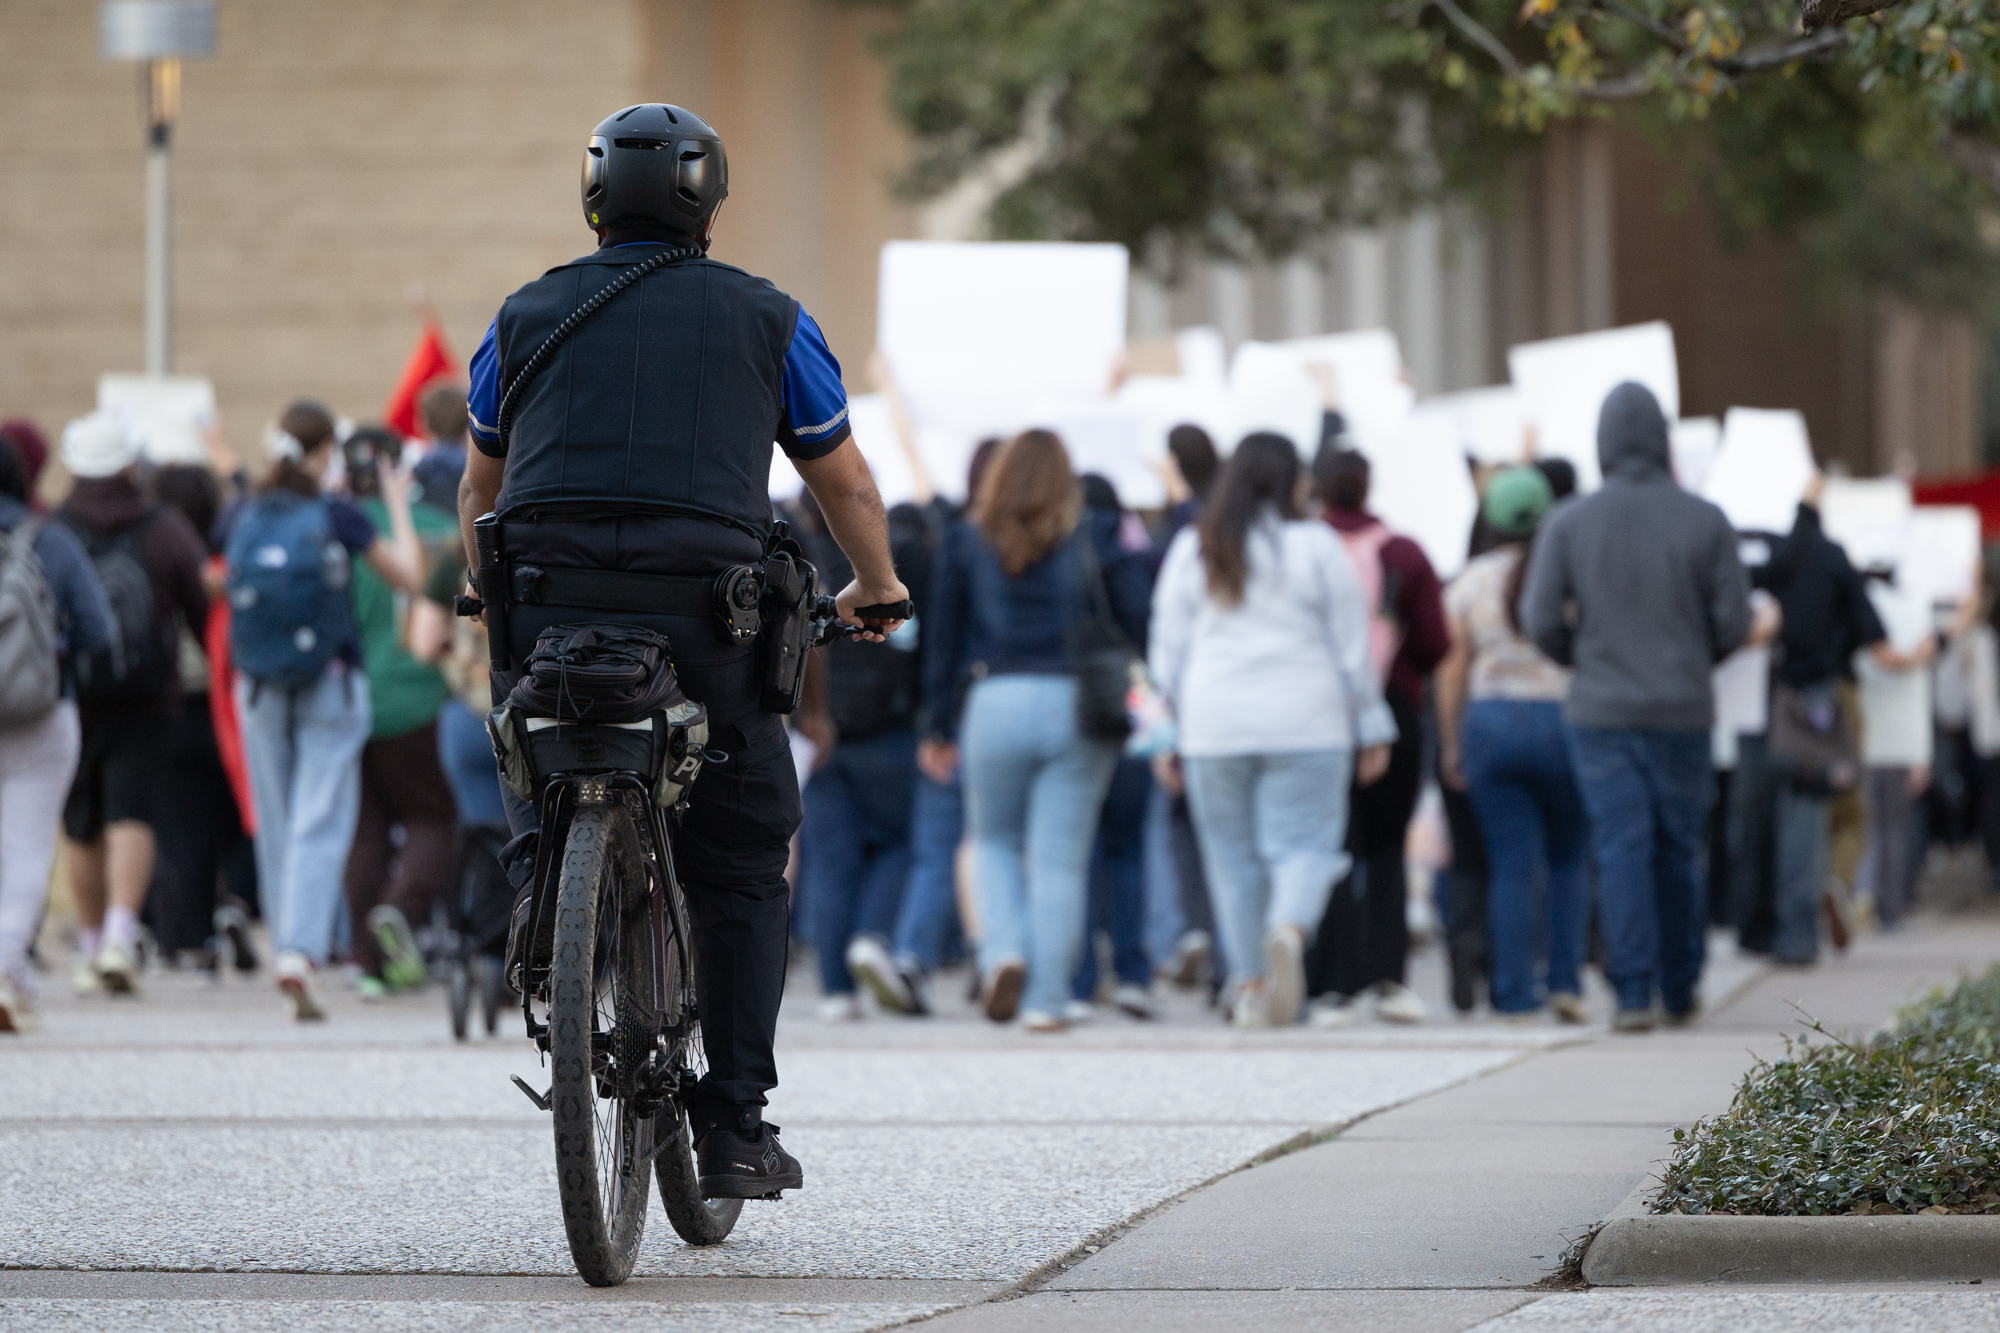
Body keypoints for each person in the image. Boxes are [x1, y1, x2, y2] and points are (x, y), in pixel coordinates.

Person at [458, 103, 908, 1199]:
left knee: (533, 744)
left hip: (550, 605)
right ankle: (736, 1120)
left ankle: (543, 894)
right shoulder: (770, 318)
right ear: (710, 202)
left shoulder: (520, 316)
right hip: (707, 620)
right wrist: (879, 584)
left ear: (592, 197)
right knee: (745, 854)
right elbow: (837, 478)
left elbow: (481, 483)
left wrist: (482, 588)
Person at [1521, 382, 1754, 1031]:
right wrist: (1691, 655)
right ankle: (1681, 983)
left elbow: (1538, 618)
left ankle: (1631, 991)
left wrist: (1582, 657)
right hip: (1682, 705)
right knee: (1680, 847)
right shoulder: (1705, 518)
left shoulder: (1569, 520)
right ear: (1661, 438)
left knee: (1619, 845)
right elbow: (1735, 621)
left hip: (1600, 709)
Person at [1149, 433, 1394, 1026]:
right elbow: (1351, 644)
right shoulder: (1316, 546)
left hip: (1213, 724)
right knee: (1307, 844)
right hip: (1308, 720)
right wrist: (1371, 723)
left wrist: (1164, 733)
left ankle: (1253, 983)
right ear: (1294, 482)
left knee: (1231, 859)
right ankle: (1288, 926)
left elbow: (1167, 649)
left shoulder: (1197, 544)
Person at [922, 429, 1148, 1033]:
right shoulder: (1095, 535)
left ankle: (1005, 953)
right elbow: (1136, 615)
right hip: (1079, 705)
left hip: (992, 701)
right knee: (1060, 862)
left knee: (992, 841)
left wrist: (936, 725)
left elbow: (942, 642)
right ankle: (1047, 1001)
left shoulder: (967, 540)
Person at [224, 401, 423, 1020]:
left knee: (278, 816)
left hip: (256, 682)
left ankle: (287, 937)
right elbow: (411, 576)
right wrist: (393, 501)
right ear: (322, 455)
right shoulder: (337, 515)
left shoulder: (246, 513)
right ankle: (299, 953)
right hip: (331, 682)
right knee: (320, 815)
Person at [57, 413, 210, 997]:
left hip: (72, 695)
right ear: (128, 464)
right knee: (132, 812)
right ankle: (122, 936)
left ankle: (90, 944)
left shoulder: (55, 529)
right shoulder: (162, 526)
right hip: (147, 694)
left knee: (81, 820)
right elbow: (200, 605)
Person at [1756, 474, 1931, 964]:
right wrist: (1922, 652)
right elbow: (1877, 642)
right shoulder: (1833, 559)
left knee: (1795, 807)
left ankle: (1789, 924)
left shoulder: (1774, 561)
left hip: (1784, 699)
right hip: (1834, 699)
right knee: (1848, 810)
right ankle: (1834, 882)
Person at [1436, 467, 1588, 1023]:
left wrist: (1451, 742)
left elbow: (1453, 669)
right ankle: (1567, 979)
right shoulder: (1570, 571)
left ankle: (1514, 990)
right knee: (1570, 858)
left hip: (1492, 721)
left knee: (1511, 864)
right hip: (1564, 721)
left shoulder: (1470, 581)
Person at [1308, 443, 1448, 1025]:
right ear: (1369, 486)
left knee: (1331, 845)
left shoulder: (1301, 550)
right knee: (1388, 845)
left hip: (1317, 710)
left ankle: (1331, 982)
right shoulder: (1404, 551)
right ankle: (1387, 977)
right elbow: (1437, 643)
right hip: (1393, 705)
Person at [793, 493, 932, 1019]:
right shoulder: (888, 563)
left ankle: (835, 990)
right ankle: (872, 936)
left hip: (820, 728)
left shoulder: (800, 558)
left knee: (831, 861)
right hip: (888, 728)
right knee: (897, 844)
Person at [337, 425, 461, 998]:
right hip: (420, 699)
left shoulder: (334, 528)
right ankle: (397, 913)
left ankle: (367, 962)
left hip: (345, 702)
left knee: (364, 831)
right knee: (432, 819)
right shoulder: (438, 531)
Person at [0, 435, 114, 1032]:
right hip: (41, 712)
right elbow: (98, 631)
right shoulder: (50, 540)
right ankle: (6, 965)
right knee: (26, 848)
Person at [144, 464, 258, 969]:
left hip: (169, 706)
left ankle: (183, 936)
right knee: (238, 818)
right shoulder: (223, 558)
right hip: (228, 705)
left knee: (182, 830)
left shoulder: (149, 551)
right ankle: (236, 905)